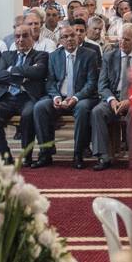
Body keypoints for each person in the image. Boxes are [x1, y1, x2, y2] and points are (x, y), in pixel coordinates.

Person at [32, 24, 101, 168]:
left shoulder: (89, 54)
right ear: (60, 41)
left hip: (81, 98)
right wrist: (56, 97)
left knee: (82, 109)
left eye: (72, 35)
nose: (69, 39)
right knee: (40, 107)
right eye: (65, 37)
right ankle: (46, 152)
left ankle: (78, 153)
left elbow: (91, 83)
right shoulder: (54, 56)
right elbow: (50, 81)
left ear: (77, 37)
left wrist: (75, 98)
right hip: (60, 97)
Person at [0, 24, 49, 164]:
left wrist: (11, 70)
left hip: (28, 97)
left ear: (32, 39)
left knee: (29, 114)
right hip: (7, 97)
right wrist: (24, 75)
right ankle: (3, 155)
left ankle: (26, 156)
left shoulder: (41, 55)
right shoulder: (6, 55)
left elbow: (38, 72)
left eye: (25, 36)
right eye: (17, 36)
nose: (20, 39)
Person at [89, 23, 132, 171]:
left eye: (127, 39)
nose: (122, 42)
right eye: (120, 39)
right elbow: (102, 85)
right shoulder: (109, 56)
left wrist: (130, 100)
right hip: (113, 98)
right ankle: (103, 157)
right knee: (97, 111)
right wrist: (112, 101)